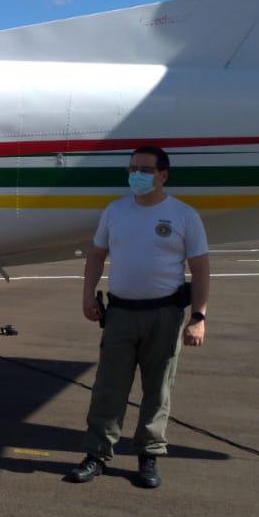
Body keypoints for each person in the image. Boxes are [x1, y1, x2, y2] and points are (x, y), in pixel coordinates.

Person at [66, 145, 209, 489]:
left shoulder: (184, 215)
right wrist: (88, 294)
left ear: (163, 175)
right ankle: (97, 454)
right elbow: (97, 254)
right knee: (107, 388)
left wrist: (199, 316)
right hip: (121, 314)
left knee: (157, 389)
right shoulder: (115, 211)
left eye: (145, 170)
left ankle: (149, 455)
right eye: (132, 169)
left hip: (165, 315)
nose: (137, 176)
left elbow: (201, 268)